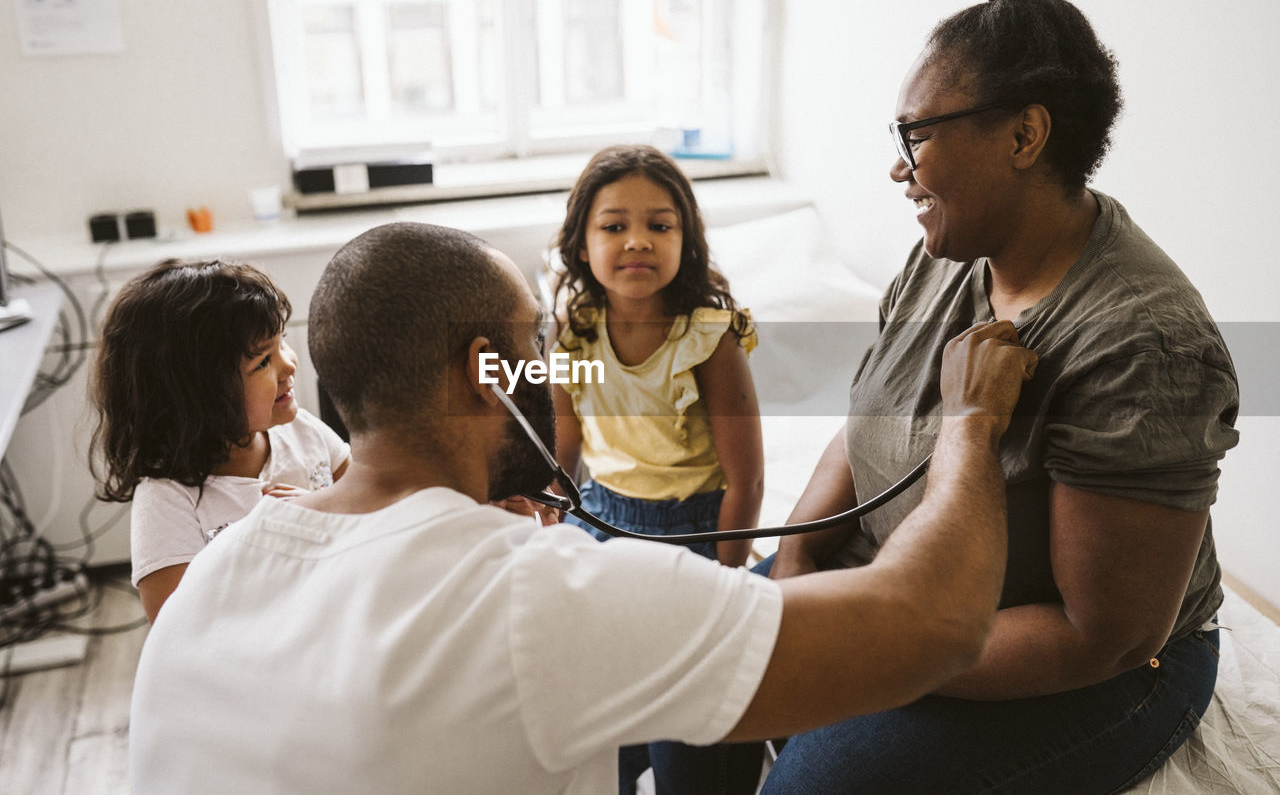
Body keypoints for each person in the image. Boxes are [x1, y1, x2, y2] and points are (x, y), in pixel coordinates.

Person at [129, 221, 1038, 794]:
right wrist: (969, 422)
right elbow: (937, 623)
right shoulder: (537, 593)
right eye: (536, 349)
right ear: (485, 371)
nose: (554, 370)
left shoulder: (214, 576)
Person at [754, 0, 1240, 793]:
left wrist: (872, 644)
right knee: (693, 687)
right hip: (899, 595)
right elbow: (870, 418)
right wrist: (792, 567)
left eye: (916, 136)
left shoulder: (1142, 342)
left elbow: (1104, 636)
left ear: (1024, 135)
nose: (898, 168)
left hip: (1077, 668)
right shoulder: (947, 254)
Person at [550, 145, 764, 789]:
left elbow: (747, 478)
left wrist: (725, 578)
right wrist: (546, 528)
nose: (637, 241)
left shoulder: (706, 337)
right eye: (614, 226)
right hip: (599, 523)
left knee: (686, 734)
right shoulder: (573, 334)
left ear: (686, 241)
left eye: (659, 225)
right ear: (582, 245)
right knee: (597, 726)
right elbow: (561, 459)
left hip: (695, 536)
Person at [90, 259, 350, 623]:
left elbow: (374, 501)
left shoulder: (304, 430)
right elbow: (175, 627)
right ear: (195, 394)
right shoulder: (168, 500)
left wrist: (326, 510)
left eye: (282, 343)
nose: (289, 365)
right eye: (262, 361)